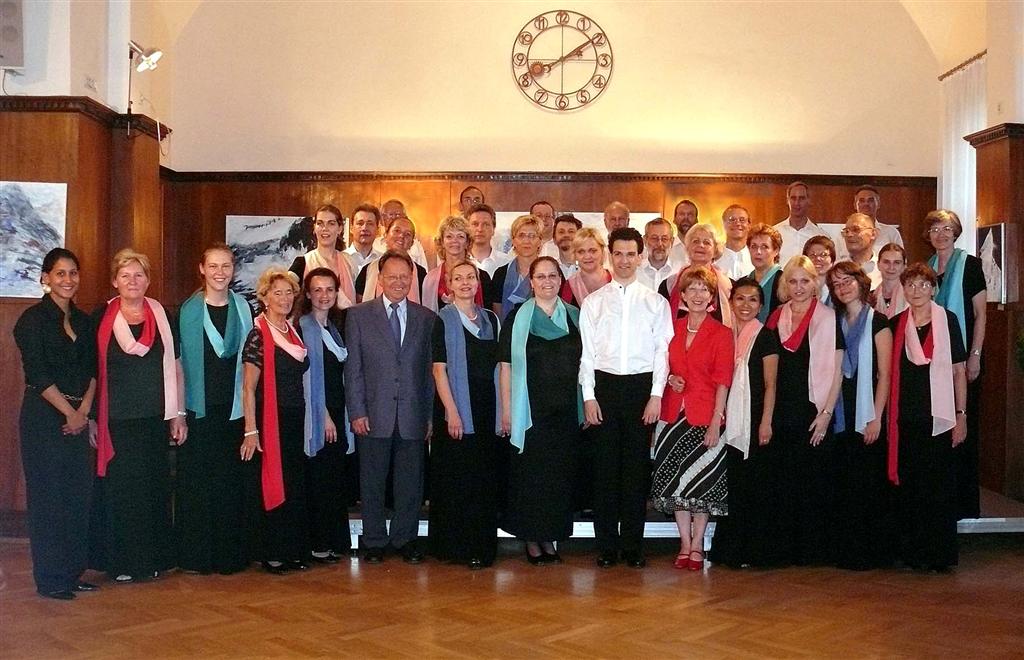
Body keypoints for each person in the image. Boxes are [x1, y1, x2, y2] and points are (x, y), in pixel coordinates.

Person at [580, 228, 673, 568]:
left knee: (635, 472)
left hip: (640, 389)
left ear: (640, 257)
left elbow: (662, 352)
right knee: (604, 471)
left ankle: (633, 546)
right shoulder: (594, 302)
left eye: (630, 254)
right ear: (610, 256)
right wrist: (589, 397)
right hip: (604, 388)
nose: (623, 260)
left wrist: (656, 395)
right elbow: (587, 355)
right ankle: (606, 546)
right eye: (617, 254)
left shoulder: (655, 302)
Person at [94, 249, 186, 583]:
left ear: (148, 280)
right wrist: (92, 419)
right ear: (114, 281)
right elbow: (92, 371)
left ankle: (153, 560)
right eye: (126, 275)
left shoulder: (162, 315)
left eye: (139, 275)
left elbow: (176, 365)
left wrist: (178, 414)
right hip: (117, 421)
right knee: (124, 495)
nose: (132, 281)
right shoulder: (101, 318)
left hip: (154, 419)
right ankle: (124, 563)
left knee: (154, 491)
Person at [14, 248, 98, 599]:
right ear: (45, 278)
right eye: (60, 273)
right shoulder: (31, 321)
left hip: (79, 417)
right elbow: (38, 374)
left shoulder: (84, 321)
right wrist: (69, 412)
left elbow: (93, 371)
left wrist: (84, 412)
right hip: (44, 419)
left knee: (77, 497)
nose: (68, 280)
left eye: (73, 273)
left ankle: (72, 572)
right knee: (48, 499)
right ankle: (50, 579)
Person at [345, 251, 437, 564]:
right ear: (380, 278)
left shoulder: (426, 319)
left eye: (404, 277)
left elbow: (428, 373)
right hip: (372, 414)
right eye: (392, 276)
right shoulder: (358, 316)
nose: (398, 282)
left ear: (412, 279)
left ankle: (405, 539)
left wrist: (429, 416)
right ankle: (373, 541)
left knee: (410, 484)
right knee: (371, 482)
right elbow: (353, 369)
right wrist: (357, 411)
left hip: (413, 414)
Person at [177, 244, 254, 575]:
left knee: (230, 485)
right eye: (213, 266)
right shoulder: (188, 311)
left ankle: (229, 556)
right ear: (202, 269)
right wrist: (179, 413)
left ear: (233, 270)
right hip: (199, 412)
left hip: (234, 411)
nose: (220, 272)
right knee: (199, 486)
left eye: (226, 266)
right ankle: (198, 557)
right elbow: (178, 364)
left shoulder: (244, 308)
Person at [500, 257, 582, 565]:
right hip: (529, 412)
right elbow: (505, 366)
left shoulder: (575, 316)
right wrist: (507, 411)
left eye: (552, 275)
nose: (547, 281)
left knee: (557, 478)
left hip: (565, 413)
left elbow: (587, 364)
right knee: (531, 478)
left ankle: (550, 536)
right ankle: (532, 539)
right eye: (540, 276)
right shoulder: (516, 318)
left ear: (561, 280)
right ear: (531, 282)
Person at [651, 267, 733, 572]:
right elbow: (661, 366)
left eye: (704, 290)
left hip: (705, 416)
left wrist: (716, 420)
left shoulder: (722, 333)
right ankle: (684, 543)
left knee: (702, 484)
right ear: (682, 295)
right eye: (692, 289)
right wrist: (670, 379)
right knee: (676, 484)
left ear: (712, 297)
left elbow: (723, 380)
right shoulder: (671, 328)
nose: (698, 295)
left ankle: (698, 544)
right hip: (672, 416)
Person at [887, 263, 967, 571]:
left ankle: (939, 555)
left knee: (938, 489)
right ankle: (913, 554)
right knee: (911, 489)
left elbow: (959, 371)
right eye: (911, 285)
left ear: (933, 289)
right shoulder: (896, 324)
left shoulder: (948, 321)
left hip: (940, 418)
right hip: (905, 418)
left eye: (923, 284)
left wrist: (961, 415)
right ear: (903, 290)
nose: (916, 290)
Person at [767, 255, 844, 565]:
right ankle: (785, 548)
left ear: (815, 283)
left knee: (813, 482)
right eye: (793, 281)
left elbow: (838, 371)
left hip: (814, 409)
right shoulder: (776, 317)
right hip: (781, 410)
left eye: (805, 281)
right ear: (785, 285)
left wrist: (826, 414)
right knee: (784, 481)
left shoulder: (828, 318)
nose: (798, 287)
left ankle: (812, 549)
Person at [430, 261, 502, 569]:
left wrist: (503, 412)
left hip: (486, 411)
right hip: (456, 410)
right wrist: (452, 412)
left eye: (470, 277)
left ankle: (481, 546)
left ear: (478, 283)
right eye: (457, 278)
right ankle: (455, 547)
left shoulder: (491, 320)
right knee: (457, 481)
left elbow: (501, 368)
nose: (465, 283)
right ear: (449, 284)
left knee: (483, 481)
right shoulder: (442, 320)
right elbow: (439, 370)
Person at [707, 278, 781, 568]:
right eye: (740, 298)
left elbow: (771, 384)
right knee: (734, 487)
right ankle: (731, 551)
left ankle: (756, 552)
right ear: (731, 302)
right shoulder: (724, 335)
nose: (745, 305)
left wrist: (766, 422)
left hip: (755, 421)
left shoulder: (766, 336)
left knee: (756, 488)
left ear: (761, 306)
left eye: (752, 300)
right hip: (728, 420)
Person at [826, 261, 894, 570]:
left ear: (860, 282)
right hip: (840, 412)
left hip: (867, 412)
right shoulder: (834, 322)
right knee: (844, 484)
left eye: (847, 281)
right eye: (837, 284)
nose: (843, 287)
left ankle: (870, 552)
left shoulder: (878, 321)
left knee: (868, 485)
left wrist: (876, 417)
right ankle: (845, 551)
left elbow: (885, 374)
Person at [241, 268, 310, 574]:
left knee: (293, 483)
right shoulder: (258, 334)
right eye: (277, 293)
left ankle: (291, 549)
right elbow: (248, 388)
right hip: (270, 421)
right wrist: (251, 430)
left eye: (288, 292)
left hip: (295, 419)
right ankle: (272, 552)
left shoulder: (293, 332)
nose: (284, 298)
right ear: (265, 298)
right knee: (274, 483)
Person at [924, 209, 986, 520]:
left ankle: (963, 505)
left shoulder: (971, 265)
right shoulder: (927, 269)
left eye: (947, 228)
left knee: (962, 428)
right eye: (935, 229)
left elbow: (980, 314)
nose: (941, 234)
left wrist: (975, 355)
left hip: (964, 359)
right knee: (939, 427)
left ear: (956, 232)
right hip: (934, 362)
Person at [297, 267, 353, 564]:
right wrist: (325, 416)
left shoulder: (335, 327)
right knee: (317, 479)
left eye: (329, 289)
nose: (324, 295)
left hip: (339, 409)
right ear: (307, 294)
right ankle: (318, 542)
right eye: (317, 290)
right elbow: (305, 379)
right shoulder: (302, 327)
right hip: (317, 414)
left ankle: (333, 541)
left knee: (333, 479)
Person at [659, 223, 733, 327]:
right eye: (695, 241)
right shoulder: (668, 285)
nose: (701, 245)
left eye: (707, 242)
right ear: (687, 248)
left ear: (715, 250)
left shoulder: (729, 286)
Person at [288, 204, 357, 309]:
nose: (325, 228)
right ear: (314, 228)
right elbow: (283, 287)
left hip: (348, 319)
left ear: (340, 229)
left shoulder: (349, 261)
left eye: (331, 223)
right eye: (320, 223)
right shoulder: (303, 262)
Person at [423, 215, 491, 312]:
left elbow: (488, 315)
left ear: (467, 242)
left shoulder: (482, 277)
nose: (454, 241)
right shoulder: (430, 279)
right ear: (442, 242)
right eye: (449, 236)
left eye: (460, 236)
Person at [355, 216, 427, 303]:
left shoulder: (421, 274)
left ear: (412, 243)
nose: (401, 236)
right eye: (397, 231)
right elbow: (359, 305)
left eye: (407, 234)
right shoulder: (368, 270)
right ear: (386, 235)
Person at [489, 214, 542, 321]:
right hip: (508, 329)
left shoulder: (550, 272)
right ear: (513, 241)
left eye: (532, 236)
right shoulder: (501, 274)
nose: (526, 241)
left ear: (540, 241)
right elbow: (497, 314)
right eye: (521, 235)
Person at [774, 181, 827, 264]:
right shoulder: (775, 233)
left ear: (808, 200)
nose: (797, 203)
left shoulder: (820, 236)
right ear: (787, 201)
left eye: (801, 198)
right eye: (793, 198)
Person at [560, 227, 611, 306]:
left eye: (593, 251)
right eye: (581, 252)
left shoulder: (616, 280)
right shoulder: (569, 286)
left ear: (602, 251)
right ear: (575, 255)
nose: (587, 256)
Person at [374, 199, 430, 271]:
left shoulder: (415, 246)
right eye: (391, 215)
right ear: (382, 219)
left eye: (398, 215)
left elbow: (423, 271)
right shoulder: (374, 244)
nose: (394, 218)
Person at [746, 223, 784, 323]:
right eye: (754, 246)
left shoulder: (784, 281)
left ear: (776, 251)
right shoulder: (744, 281)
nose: (758, 252)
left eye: (764, 247)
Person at [466, 203, 512, 277]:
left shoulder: (507, 262)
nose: (480, 229)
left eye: (486, 224)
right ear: (467, 228)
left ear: (493, 229)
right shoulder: (460, 261)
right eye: (475, 224)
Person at [853, 184, 904, 249]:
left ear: (878, 204)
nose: (866, 204)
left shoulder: (891, 233)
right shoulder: (845, 235)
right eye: (862, 200)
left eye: (871, 200)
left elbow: (900, 255)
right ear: (855, 205)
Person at [839, 213, 882, 288]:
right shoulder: (837, 269)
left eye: (856, 229)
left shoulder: (884, 269)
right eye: (846, 231)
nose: (849, 235)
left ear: (873, 234)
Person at [637, 218, 679, 292]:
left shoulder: (680, 272)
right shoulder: (635, 272)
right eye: (654, 238)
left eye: (664, 239)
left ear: (672, 242)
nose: (659, 244)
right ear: (645, 240)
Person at [344, 203, 383, 277]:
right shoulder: (341, 258)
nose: (365, 228)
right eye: (360, 223)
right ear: (351, 228)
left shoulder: (383, 261)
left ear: (377, 230)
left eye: (370, 224)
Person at [715, 204, 754, 280]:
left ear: (749, 225)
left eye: (742, 220)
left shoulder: (756, 257)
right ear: (724, 224)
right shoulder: (714, 258)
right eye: (732, 220)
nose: (737, 223)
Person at [873, 243, 908, 318]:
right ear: (878, 265)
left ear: (904, 267)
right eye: (886, 262)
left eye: (897, 263)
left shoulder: (912, 295)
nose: (891, 267)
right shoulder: (871, 298)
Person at [802, 235, 836, 306]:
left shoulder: (839, 288)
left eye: (823, 255)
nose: (817, 258)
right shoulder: (799, 288)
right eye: (812, 255)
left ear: (832, 260)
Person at [550, 213, 582, 278]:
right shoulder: (550, 269)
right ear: (554, 239)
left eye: (571, 231)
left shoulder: (588, 268)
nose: (566, 235)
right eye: (561, 232)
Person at [668, 199, 698, 266]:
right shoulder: (666, 248)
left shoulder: (704, 249)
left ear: (696, 220)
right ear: (674, 219)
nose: (686, 218)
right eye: (681, 214)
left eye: (690, 215)